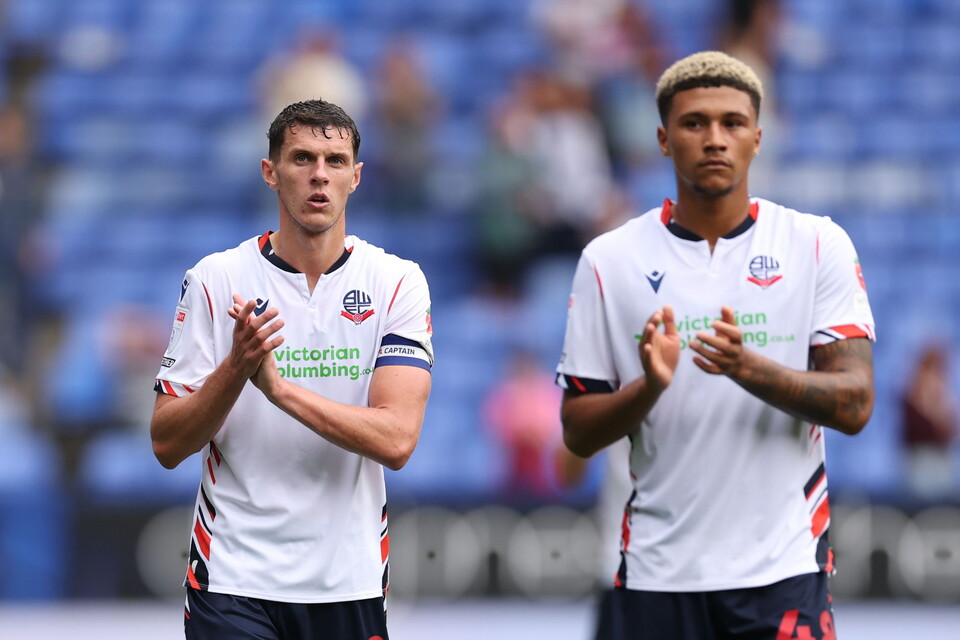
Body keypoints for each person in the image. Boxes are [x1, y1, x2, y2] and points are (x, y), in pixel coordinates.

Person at [555, 51, 875, 640]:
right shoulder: (609, 260)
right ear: (662, 139)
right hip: (656, 574)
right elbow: (577, 429)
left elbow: (856, 403)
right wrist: (649, 388)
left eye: (731, 123)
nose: (714, 139)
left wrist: (749, 368)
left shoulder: (816, 244)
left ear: (757, 136)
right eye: (694, 123)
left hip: (783, 571)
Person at [150, 100, 434, 640]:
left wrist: (278, 390)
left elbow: (398, 440)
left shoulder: (397, 282)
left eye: (335, 159)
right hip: (233, 575)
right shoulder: (215, 279)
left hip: (347, 579)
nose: (319, 175)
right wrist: (236, 368)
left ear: (356, 176)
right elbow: (166, 443)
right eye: (302, 158)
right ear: (270, 172)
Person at [901, 342, 958, 498]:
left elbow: (949, 430)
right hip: (921, 457)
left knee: (943, 503)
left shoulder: (943, 392)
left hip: (940, 457)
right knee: (923, 500)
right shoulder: (913, 392)